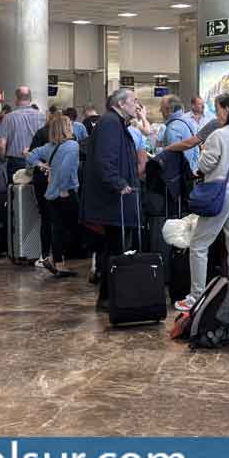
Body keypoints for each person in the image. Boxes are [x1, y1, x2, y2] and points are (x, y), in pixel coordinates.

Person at [175, 94, 229, 313]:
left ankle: (196, 296)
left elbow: (205, 165)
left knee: (199, 245)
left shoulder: (217, 136)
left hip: (218, 194)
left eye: (218, 109)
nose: (216, 113)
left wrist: (201, 155)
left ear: (226, 110)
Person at [80, 88, 141, 310]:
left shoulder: (114, 123)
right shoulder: (110, 124)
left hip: (114, 200)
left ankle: (109, 297)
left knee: (113, 249)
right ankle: (108, 298)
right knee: (113, 250)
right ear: (122, 104)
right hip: (111, 200)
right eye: (134, 101)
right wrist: (119, 183)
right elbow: (105, 159)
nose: (138, 105)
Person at [28, 114, 82, 277]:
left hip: (51, 193)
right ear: (66, 128)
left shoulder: (49, 147)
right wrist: (64, 187)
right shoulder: (73, 145)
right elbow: (66, 170)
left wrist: (42, 166)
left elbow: (30, 156)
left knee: (58, 228)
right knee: (73, 229)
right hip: (66, 192)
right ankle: (54, 259)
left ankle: (58, 262)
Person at [0, 87, 47, 181]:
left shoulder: (8, 118)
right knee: (35, 192)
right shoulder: (42, 117)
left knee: (15, 192)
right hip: (37, 161)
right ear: (31, 99)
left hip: (15, 162)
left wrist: (2, 159)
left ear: (16, 99)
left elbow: (1, 145)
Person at [157, 95, 198, 199]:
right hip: (189, 177)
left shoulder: (173, 128)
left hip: (178, 183)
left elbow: (172, 159)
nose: (159, 111)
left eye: (161, 108)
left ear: (169, 110)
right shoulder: (189, 123)